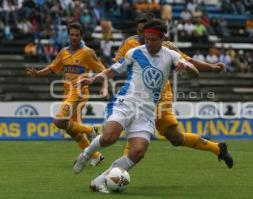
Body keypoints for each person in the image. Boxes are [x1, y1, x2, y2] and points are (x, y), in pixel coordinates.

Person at [73, 19, 199, 193]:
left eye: (153, 39)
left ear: (162, 38)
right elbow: (112, 70)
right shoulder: (135, 52)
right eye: (146, 39)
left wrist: (186, 66)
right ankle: (86, 154)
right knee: (110, 137)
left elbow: (195, 73)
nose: (148, 42)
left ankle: (100, 180)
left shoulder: (171, 55)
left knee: (138, 151)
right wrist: (94, 79)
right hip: (126, 102)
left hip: (146, 112)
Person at [114, 12, 233, 169]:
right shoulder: (129, 44)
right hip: (137, 95)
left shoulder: (166, 47)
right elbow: (116, 65)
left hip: (159, 97)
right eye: (140, 28)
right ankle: (217, 148)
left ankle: (117, 172)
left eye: (146, 27)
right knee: (176, 138)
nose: (143, 32)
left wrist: (212, 67)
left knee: (138, 134)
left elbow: (188, 61)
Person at [26, 22, 105, 167]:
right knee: (73, 130)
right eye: (71, 34)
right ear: (68, 35)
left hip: (79, 93)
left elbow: (102, 70)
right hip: (67, 94)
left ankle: (91, 129)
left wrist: (103, 86)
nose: (74, 37)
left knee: (59, 121)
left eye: (77, 35)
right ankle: (96, 155)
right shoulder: (64, 52)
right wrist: (37, 73)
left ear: (81, 36)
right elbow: (52, 68)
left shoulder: (88, 52)